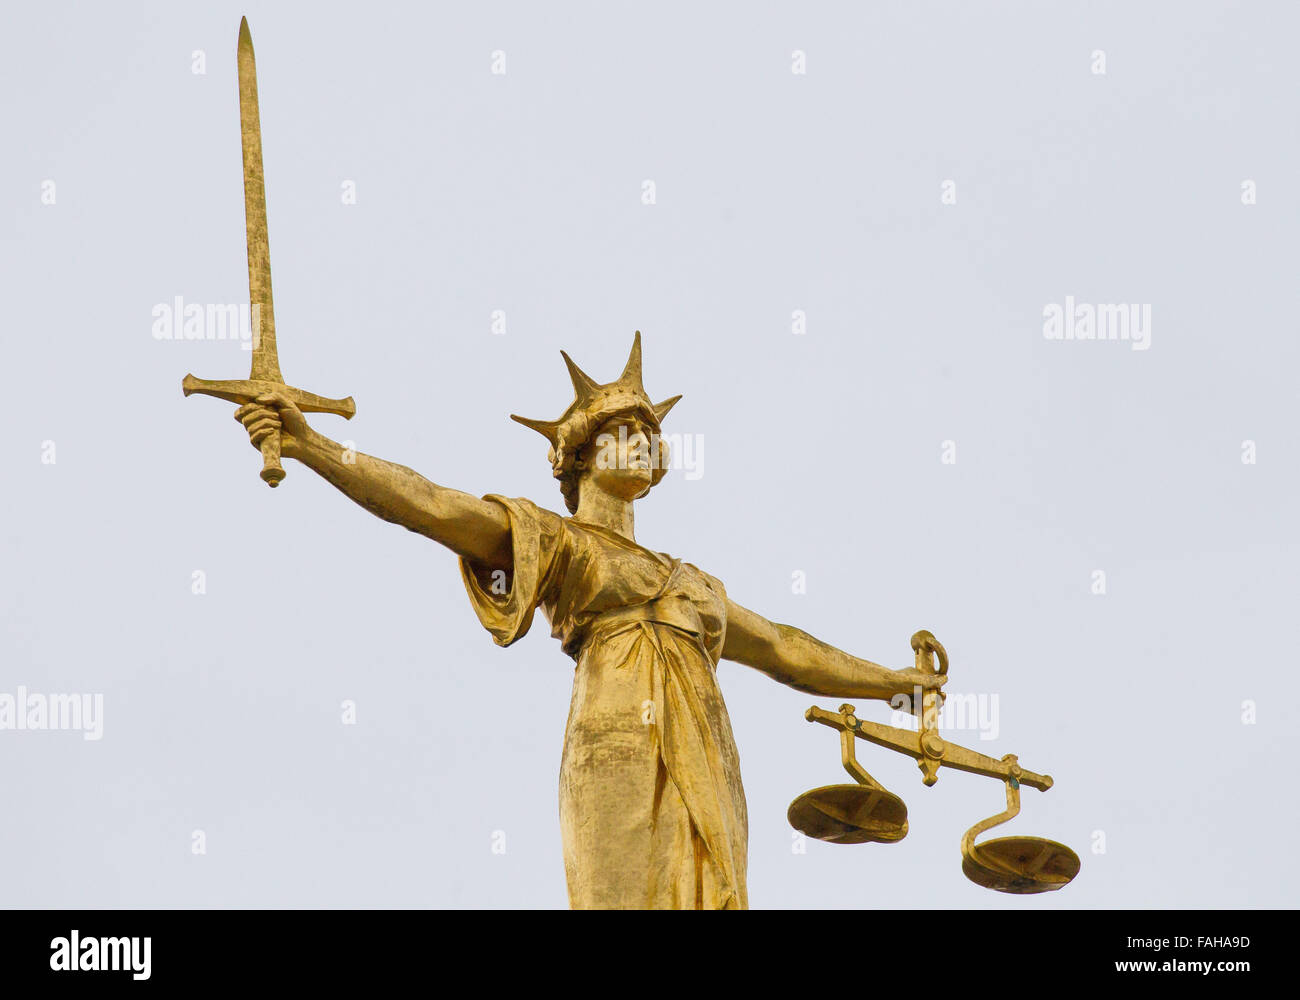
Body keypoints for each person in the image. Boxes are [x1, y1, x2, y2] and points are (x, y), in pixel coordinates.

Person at [234, 332, 946, 909]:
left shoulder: (693, 584)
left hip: (702, 743)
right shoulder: (558, 541)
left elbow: (786, 649)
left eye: (648, 434)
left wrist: (896, 684)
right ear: (577, 456)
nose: (641, 442)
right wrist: (312, 445)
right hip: (616, 737)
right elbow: (430, 505)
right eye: (621, 431)